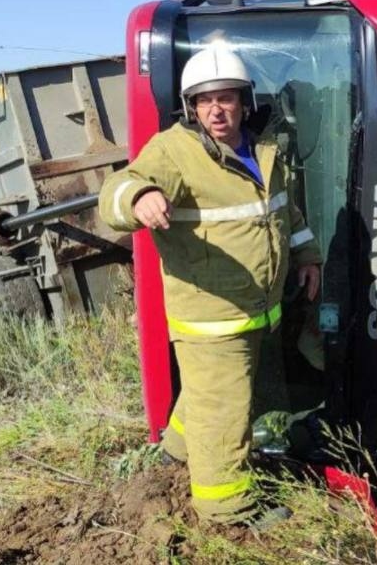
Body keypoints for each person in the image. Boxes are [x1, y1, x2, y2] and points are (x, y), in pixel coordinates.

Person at [98, 44, 322, 525]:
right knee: (225, 413)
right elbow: (117, 188)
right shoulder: (174, 151)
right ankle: (227, 509)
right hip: (212, 317)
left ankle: (176, 451)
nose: (216, 110)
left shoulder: (262, 151)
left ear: (244, 102)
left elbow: (285, 212)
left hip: (256, 310)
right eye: (205, 101)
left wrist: (307, 256)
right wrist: (139, 197)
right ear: (191, 107)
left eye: (226, 98)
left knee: (209, 395)